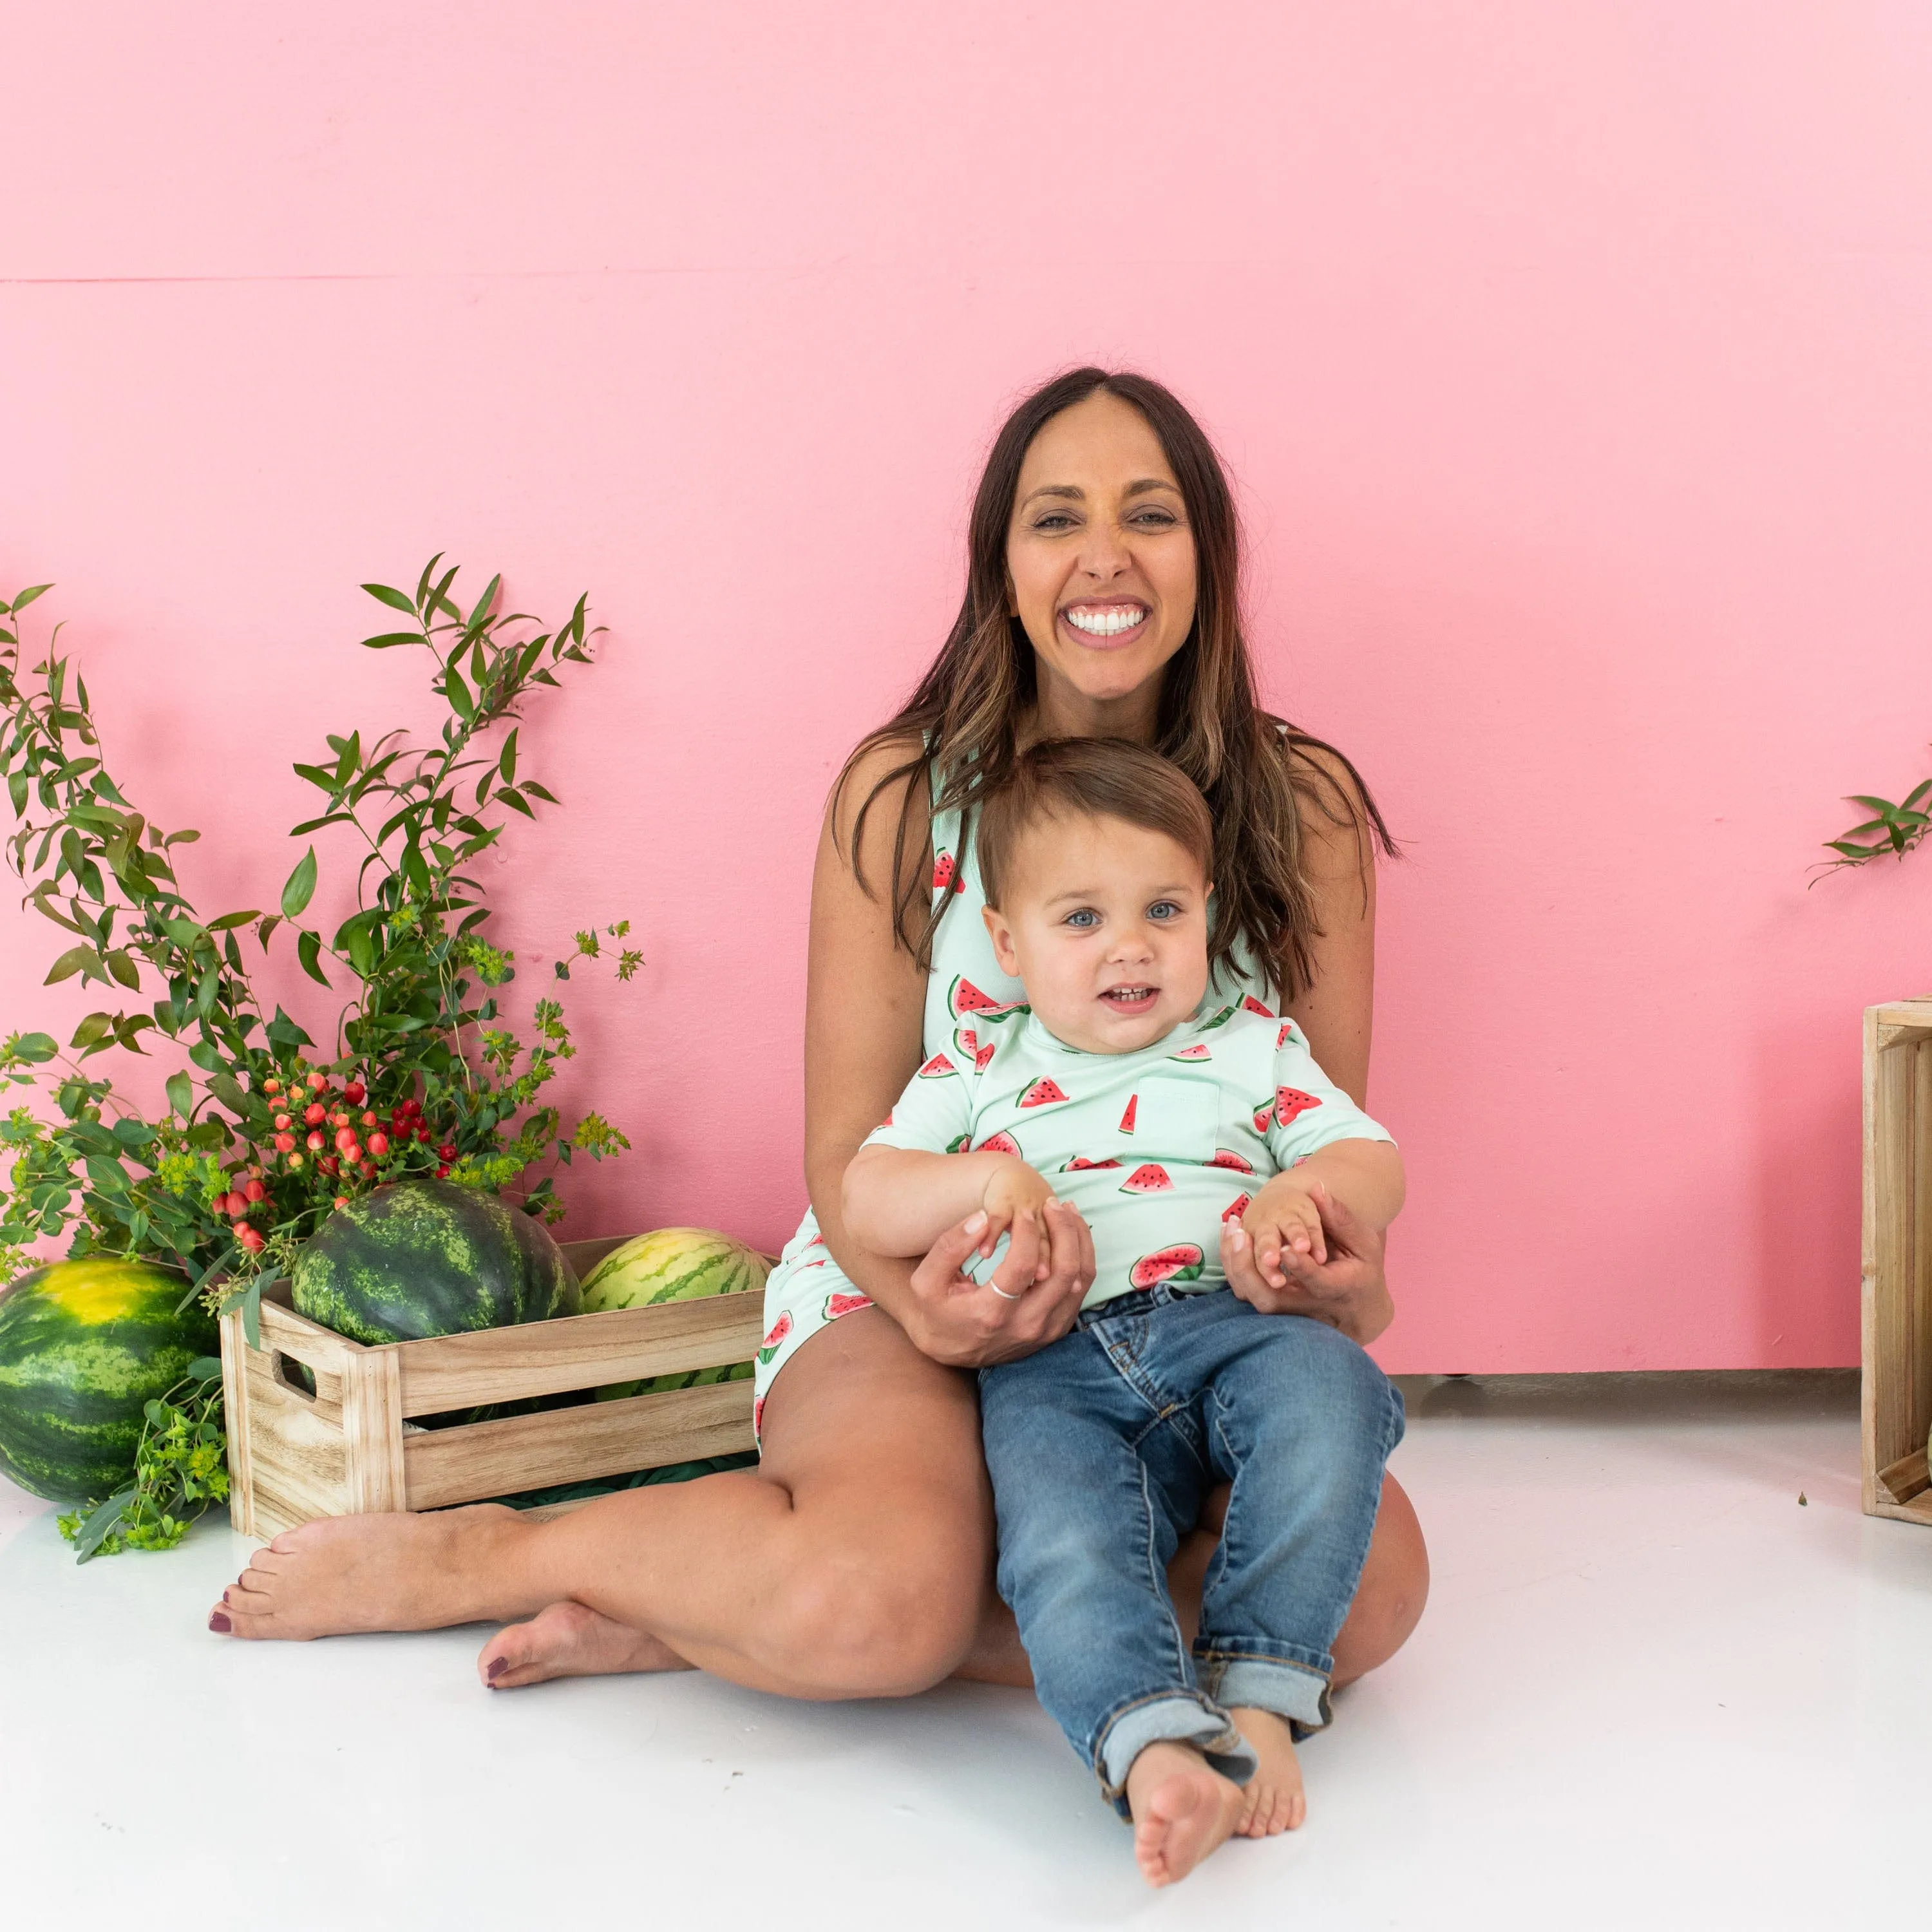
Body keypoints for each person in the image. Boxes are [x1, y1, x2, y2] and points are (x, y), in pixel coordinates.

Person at [205, 368, 1428, 1745]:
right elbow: (852, 1163)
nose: (1104, 557)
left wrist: (1339, 1276)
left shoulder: (1299, 804)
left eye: (1150, 515)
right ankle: (502, 1551)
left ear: (1208, 551)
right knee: (874, 1604)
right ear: (1001, 565)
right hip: (916, 1278)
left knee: (1370, 1601)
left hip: (1191, 1315)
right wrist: (926, 1317)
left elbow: (1320, 1142)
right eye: (1055, 519)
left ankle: (697, 1610)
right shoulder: (906, 795)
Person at [842, 735, 1405, 1886]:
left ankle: (1258, 1691)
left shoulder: (1253, 1046)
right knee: (1063, 1537)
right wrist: (984, 1183)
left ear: (1210, 915)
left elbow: (1372, 1156)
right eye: (1081, 920)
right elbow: (866, 1191)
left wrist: (1309, 1188)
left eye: (1162, 909)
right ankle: (1149, 1747)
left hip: (1234, 1327)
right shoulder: (975, 1067)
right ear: (1007, 943)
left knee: (1336, 1395)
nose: (1131, 947)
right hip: (1052, 1364)